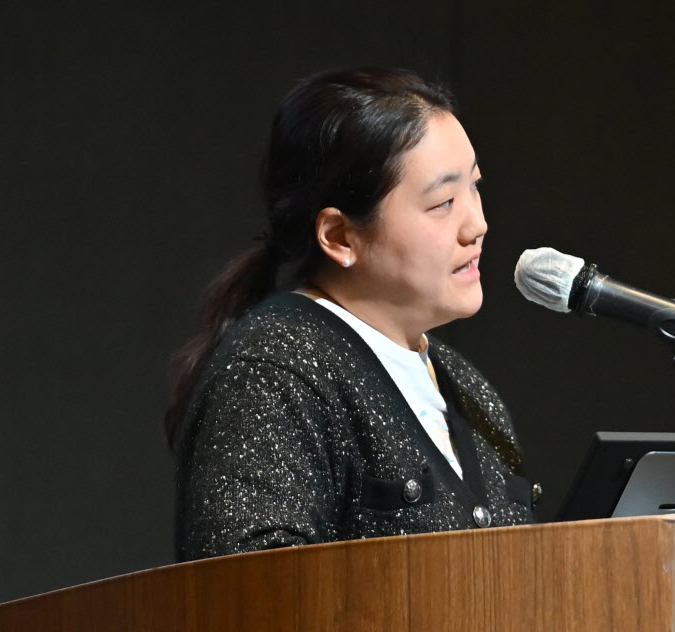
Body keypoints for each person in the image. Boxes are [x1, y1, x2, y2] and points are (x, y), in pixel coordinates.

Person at [167, 68, 534, 561]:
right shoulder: (275, 369)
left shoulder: (468, 387)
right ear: (340, 237)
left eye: (476, 186)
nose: (478, 224)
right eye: (444, 202)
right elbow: (249, 591)